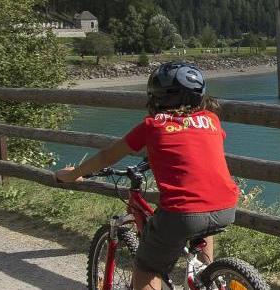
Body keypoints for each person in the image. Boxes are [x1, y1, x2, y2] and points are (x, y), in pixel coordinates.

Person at [56, 62, 239, 290]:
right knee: (201, 221)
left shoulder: (152, 126)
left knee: (146, 267)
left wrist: (73, 174)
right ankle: (205, 277)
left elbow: (107, 156)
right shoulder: (212, 119)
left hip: (182, 215)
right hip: (226, 208)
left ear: (156, 97)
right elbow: (193, 149)